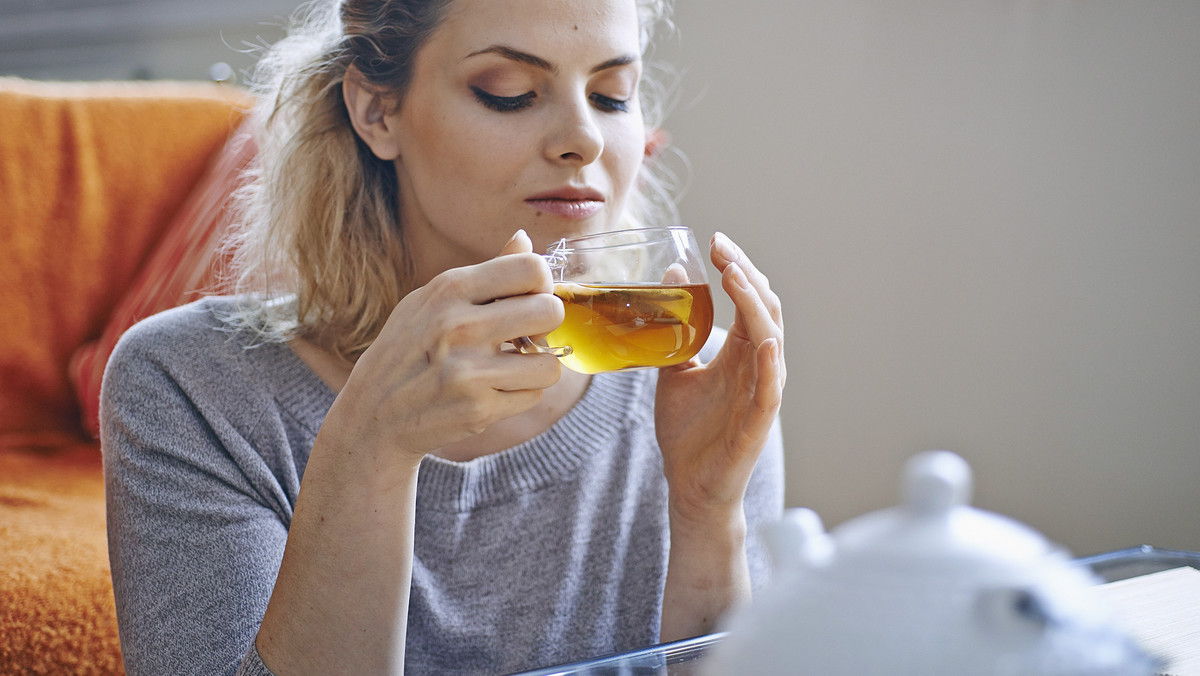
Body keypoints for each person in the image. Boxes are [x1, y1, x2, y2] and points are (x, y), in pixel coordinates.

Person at [101, 0, 786, 673]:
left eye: (611, 95)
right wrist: (369, 445)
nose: (585, 139)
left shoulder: (699, 389)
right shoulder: (189, 385)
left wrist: (707, 515)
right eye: (510, 93)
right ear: (377, 112)